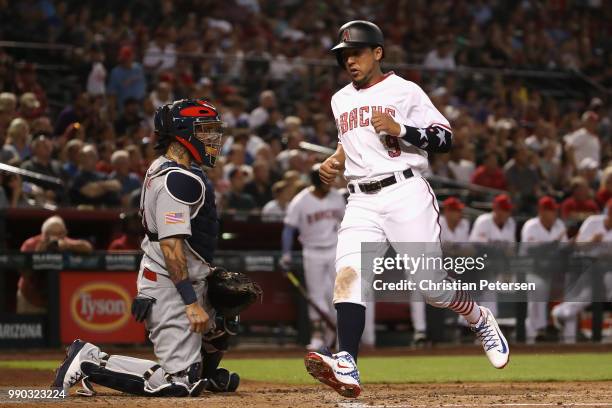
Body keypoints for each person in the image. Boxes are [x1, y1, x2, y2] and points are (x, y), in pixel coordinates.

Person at [304, 21, 509, 399]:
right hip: (360, 199)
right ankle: (346, 359)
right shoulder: (339, 99)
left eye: (357, 52)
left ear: (377, 52)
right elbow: (351, 141)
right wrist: (333, 162)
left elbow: (445, 138)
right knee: (349, 274)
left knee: (431, 288)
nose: (350, 60)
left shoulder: (404, 90)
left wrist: (402, 129)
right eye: (344, 55)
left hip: (405, 191)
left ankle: (478, 317)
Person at [53, 99, 245, 397]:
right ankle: (89, 360)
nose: (214, 139)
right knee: (177, 384)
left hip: (181, 276)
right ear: (183, 132)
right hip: (170, 285)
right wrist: (190, 302)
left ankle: (205, 374)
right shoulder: (178, 180)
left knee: (224, 319)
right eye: (206, 130)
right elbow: (171, 247)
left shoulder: (166, 167)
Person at [281, 164, 346, 350]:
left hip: (335, 248)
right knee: (316, 295)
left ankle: (341, 334)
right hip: (312, 251)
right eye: (326, 179)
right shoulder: (300, 201)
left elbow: (345, 221)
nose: (331, 182)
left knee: (340, 292)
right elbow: (288, 228)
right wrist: (286, 254)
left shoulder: (336, 197)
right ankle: (318, 336)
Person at [551, 198, 612, 344]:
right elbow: (578, 246)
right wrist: (592, 241)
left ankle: (560, 313)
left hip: (605, 268)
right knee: (586, 295)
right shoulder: (593, 222)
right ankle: (560, 313)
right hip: (581, 265)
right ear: (608, 213)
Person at [18, 215, 92, 314]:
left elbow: (87, 247)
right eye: (51, 234)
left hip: (57, 299)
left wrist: (68, 246)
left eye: (60, 234)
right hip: (31, 297)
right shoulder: (30, 244)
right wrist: (37, 255)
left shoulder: (65, 242)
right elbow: (25, 273)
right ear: (43, 233)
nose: (55, 238)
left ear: (65, 233)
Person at [520, 196, 567, 343]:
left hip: (553, 271)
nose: (553, 214)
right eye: (549, 210)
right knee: (537, 287)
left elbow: (564, 249)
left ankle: (565, 333)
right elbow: (533, 251)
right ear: (541, 211)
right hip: (531, 270)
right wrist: (553, 244)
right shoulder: (531, 226)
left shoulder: (559, 225)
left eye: (554, 210)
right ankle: (537, 331)